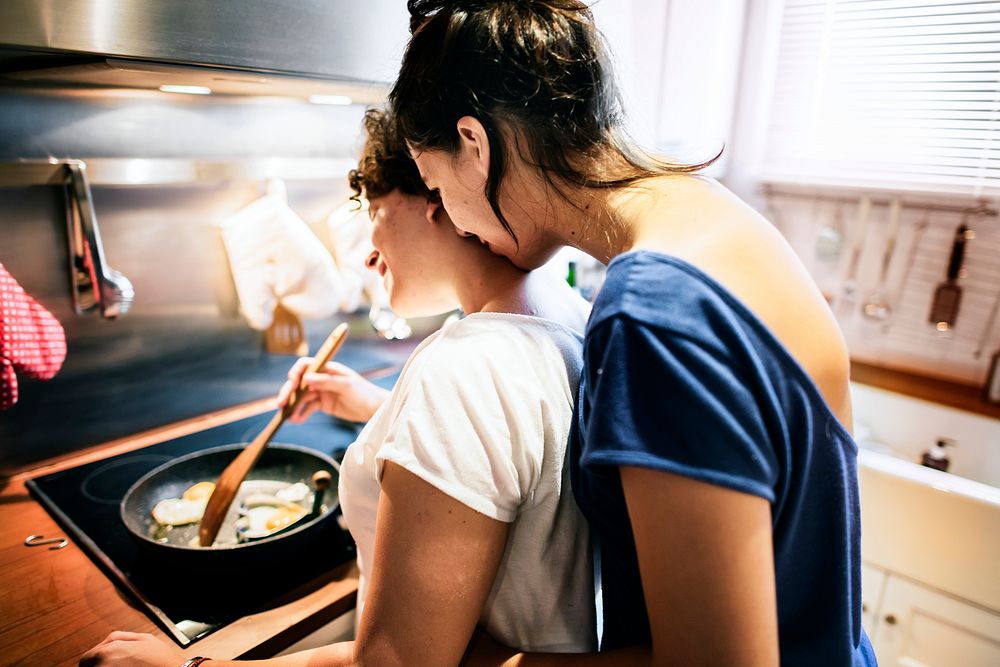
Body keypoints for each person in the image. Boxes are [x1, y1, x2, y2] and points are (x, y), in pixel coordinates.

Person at [388, 1, 879, 665]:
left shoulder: (652, 312)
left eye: (433, 182)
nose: (450, 217)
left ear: (473, 145)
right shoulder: (711, 219)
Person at [81, 109, 594, 666]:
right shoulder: (577, 319)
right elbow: (522, 460)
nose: (369, 253)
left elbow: (391, 663)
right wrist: (381, 410)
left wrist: (188, 666)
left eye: (374, 211)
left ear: (435, 193)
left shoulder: (463, 367)